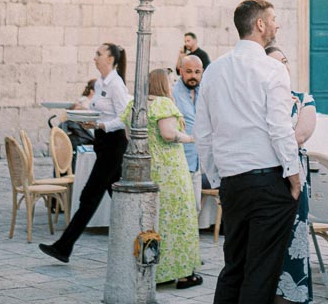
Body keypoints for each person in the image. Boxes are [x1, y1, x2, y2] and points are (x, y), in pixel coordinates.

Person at [194, 0, 300, 304]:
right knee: (260, 272)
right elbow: (278, 127)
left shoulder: (215, 70)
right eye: (273, 20)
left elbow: (203, 132)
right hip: (268, 179)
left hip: (234, 182)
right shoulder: (271, 69)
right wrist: (293, 174)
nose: (276, 26)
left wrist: (218, 178)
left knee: (233, 269)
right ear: (258, 25)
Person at [39, 43, 129, 263]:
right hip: (103, 144)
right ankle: (139, 236)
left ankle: (64, 247)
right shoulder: (100, 83)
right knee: (119, 197)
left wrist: (101, 126)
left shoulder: (116, 85)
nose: (94, 58)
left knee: (89, 196)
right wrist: (90, 119)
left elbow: (124, 116)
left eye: (99, 54)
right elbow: (99, 110)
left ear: (110, 59)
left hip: (113, 145)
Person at [121, 68, 202, 288]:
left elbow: (129, 135)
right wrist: (190, 138)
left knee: (150, 219)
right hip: (169, 170)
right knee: (177, 220)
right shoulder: (163, 104)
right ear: (163, 83)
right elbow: (168, 134)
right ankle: (182, 273)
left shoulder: (134, 106)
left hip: (146, 167)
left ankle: (152, 269)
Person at [265, 44, 318, 304]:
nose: (282, 67)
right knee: (265, 254)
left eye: (285, 61)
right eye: (275, 63)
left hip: (293, 181)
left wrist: (275, 134)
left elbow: (299, 134)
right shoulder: (257, 100)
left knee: (292, 255)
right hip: (265, 178)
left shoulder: (302, 98)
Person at [172, 54, 207, 204]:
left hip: (198, 161)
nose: (193, 76)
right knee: (180, 208)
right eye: (189, 71)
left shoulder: (205, 93)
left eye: (197, 72)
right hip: (179, 161)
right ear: (181, 71)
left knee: (196, 208)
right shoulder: (172, 94)